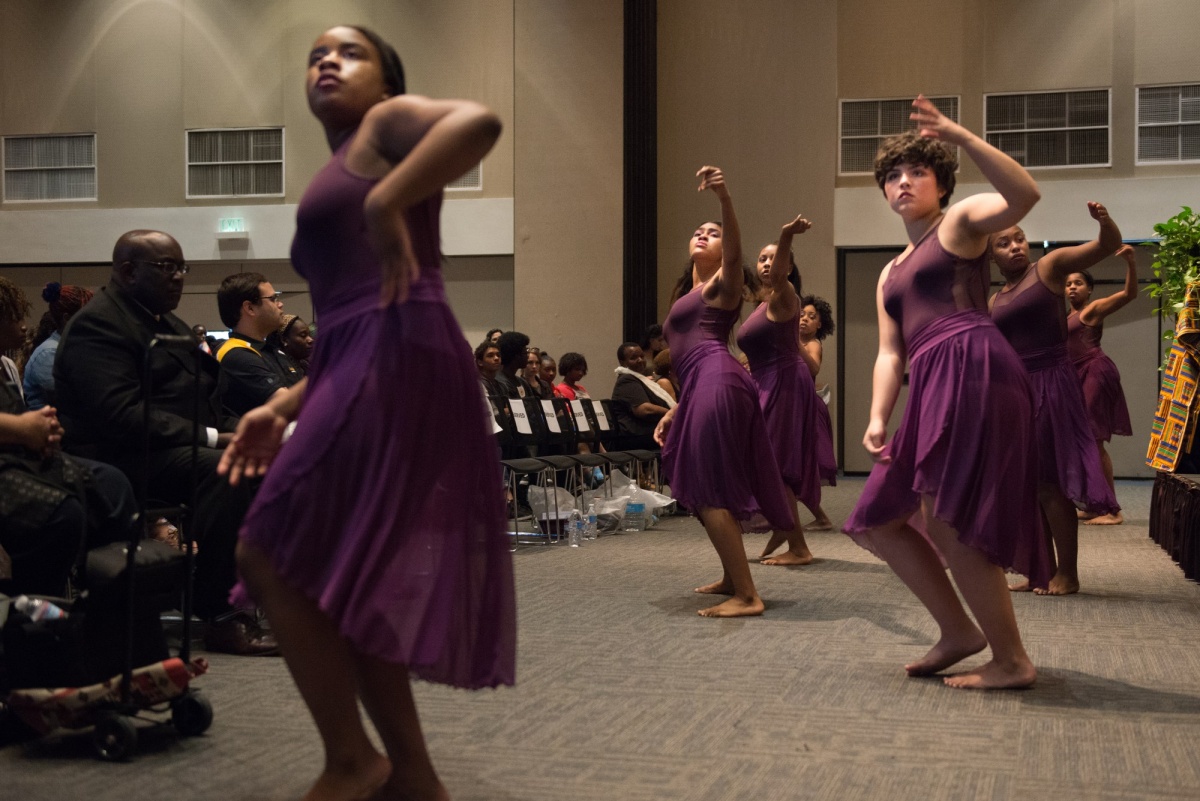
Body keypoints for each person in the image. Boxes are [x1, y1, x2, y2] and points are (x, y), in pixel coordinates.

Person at [217, 25, 515, 801]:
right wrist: (281, 404)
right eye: (315, 53)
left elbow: (480, 120)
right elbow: (341, 327)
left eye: (349, 52)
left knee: (270, 551)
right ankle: (412, 776)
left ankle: (352, 758)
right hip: (370, 353)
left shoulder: (383, 128)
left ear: (386, 83)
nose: (326, 60)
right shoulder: (341, 161)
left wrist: (388, 197)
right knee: (351, 574)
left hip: (398, 349)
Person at [843, 96, 1051, 690]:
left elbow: (1024, 197)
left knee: (948, 518)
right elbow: (890, 351)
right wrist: (879, 414)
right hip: (931, 380)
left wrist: (961, 136)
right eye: (892, 176)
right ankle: (960, 633)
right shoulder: (890, 271)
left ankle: (1012, 659)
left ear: (942, 184)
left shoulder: (958, 225)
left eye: (917, 172)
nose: (903, 182)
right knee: (882, 518)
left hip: (974, 364)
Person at [54, 230, 276, 656]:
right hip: (115, 457)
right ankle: (221, 617)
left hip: (168, 447)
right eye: (166, 268)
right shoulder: (100, 324)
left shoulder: (163, 321)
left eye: (181, 268)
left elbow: (203, 398)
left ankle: (272, 595)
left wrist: (252, 429)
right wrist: (214, 436)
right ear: (127, 270)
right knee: (222, 469)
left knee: (272, 458)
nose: (178, 278)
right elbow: (119, 416)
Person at [654, 166, 795, 618]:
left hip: (716, 378)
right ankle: (734, 577)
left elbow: (735, 258)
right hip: (705, 383)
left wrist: (725, 201)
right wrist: (676, 410)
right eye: (698, 231)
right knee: (704, 482)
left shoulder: (722, 284)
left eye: (713, 233)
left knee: (711, 486)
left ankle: (749, 595)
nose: (703, 235)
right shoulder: (691, 291)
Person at [989, 203, 1123, 595]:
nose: (1015, 247)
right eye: (1004, 243)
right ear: (991, 254)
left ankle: (1068, 573)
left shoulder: (1047, 268)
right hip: (1017, 390)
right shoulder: (996, 299)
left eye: (1019, 239)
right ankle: (1039, 569)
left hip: (1052, 382)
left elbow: (1107, 244)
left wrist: (1105, 222)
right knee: (1028, 485)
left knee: (1049, 483)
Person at [738, 217, 820, 567]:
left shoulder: (786, 295)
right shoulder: (762, 302)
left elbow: (783, 272)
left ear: (787, 265)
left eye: (775, 257)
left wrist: (785, 234)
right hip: (768, 381)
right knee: (765, 462)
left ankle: (799, 547)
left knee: (775, 466)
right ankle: (785, 528)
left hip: (782, 383)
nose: (768, 263)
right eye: (762, 258)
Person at [1067, 248, 1137, 525]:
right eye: (1069, 283)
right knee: (1084, 441)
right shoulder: (1066, 316)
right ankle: (1095, 503)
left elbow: (1129, 295)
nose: (1072, 287)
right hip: (1077, 376)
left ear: (1090, 290)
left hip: (1096, 371)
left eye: (1078, 283)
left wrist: (1131, 262)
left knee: (1093, 440)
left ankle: (1113, 510)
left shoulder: (1092, 309)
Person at [215, 272, 303, 416]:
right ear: (250, 308)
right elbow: (291, 406)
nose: (280, 304)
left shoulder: (272, 350)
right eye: (273, 299)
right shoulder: (235, 354)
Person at [797, 295, 837, 530]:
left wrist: (794, 346)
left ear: (819, 325)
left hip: (807, 408)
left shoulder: (813, 344)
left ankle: (820, 518)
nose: (804, 319)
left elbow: (813, 366)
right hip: (792, 404)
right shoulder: (788, 339)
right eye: (802, 314)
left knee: (803, 465)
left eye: (811, 317)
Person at [23, 282, 94, 411]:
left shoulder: (73, 347)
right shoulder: (49, 352)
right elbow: (73, 402)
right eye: (87, 316)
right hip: (48, 427)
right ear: (67, 319)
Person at [611, 342, 674, 450]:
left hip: (646, 430)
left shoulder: (640, 379)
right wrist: (671, 414)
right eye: (634, 357)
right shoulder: (626, 380)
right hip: (636, 434)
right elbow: (643, 409)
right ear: (622, 362)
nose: (640, 360)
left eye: (642, 356)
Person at [494, 330, 532, 399]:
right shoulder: (500, 383)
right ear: (516, 355)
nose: (528, 356)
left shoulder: (523, 382)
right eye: (525, 352)